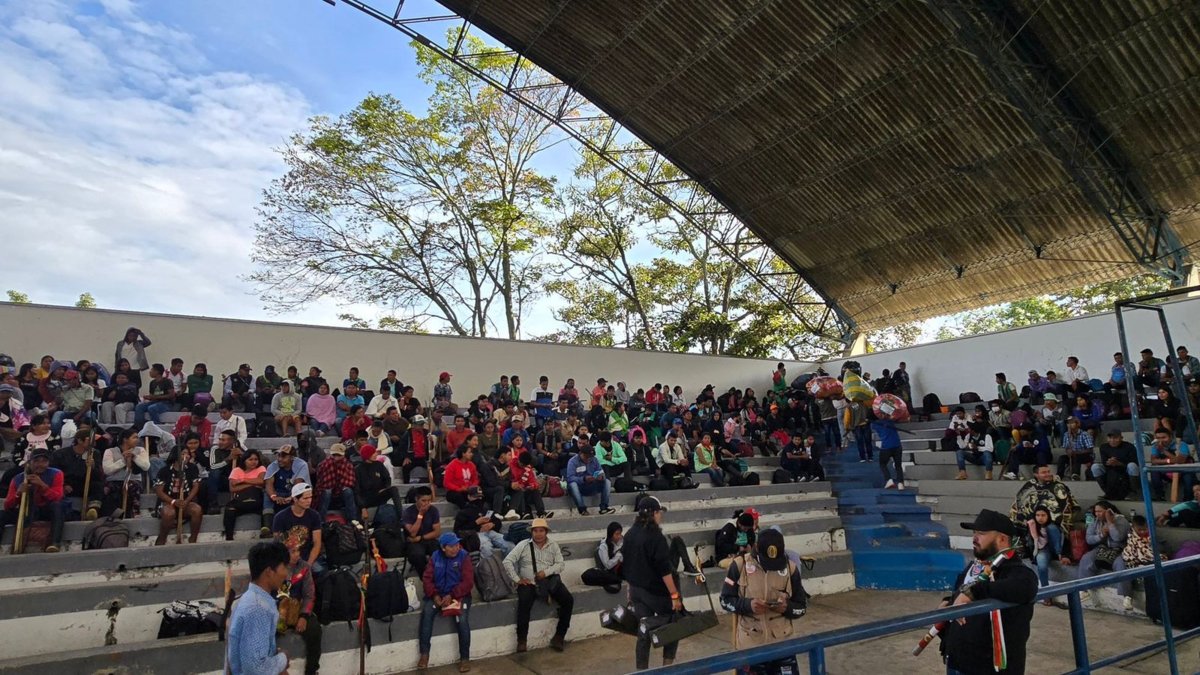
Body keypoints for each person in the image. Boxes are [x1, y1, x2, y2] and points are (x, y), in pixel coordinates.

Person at [937, 509, 1038, 675]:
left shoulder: (1018, 572)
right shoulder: (974, 566)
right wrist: (949, 601)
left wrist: (973, 592)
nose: (974, 538)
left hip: (988, 668)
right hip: (957, 662)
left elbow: (1026, 586)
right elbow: (962, 591)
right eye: (974, 533)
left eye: (981, 533)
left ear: (1002, 539)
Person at [720, 527, 808, 675]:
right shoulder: (739, 565)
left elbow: (801, 607)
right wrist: (748, 605)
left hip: (783, 646)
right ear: (756, 549)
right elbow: (725, 600)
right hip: (750, 647)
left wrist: (787, 608)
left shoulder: (791, 569)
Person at [621, 496, 686, 670]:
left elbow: (626, 563)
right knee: (675, 621)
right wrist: (674, 595)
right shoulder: (656, 537)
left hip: (636, 591)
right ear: (654, 513)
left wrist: (629, 588)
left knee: (643, 632)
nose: (660, 516)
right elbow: (665, 570)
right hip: (654, 592)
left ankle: (641, 671)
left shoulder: (630, 533)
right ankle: (667, 667)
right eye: (659, 513)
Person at [503, 517, 573, 654]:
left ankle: (559, 636)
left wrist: (546, 572)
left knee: (568, 600)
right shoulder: (523, 545)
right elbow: (507, 561)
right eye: (536, 531)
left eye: (541, 531)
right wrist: (517, 579)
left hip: (549, 580)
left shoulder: (553, 545)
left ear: (546, 532)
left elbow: (560, 564)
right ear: (532, 532)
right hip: (528, 582)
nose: (538, 534)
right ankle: (522, 641)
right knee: (524, 604)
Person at [226, 540, 290, 675]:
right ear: (269, 572)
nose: (286, 574)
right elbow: (256, 668)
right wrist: (283, 658)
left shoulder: (248, 599)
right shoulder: (258, 609)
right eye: (284, 567)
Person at [418, 532, 475, 672]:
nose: (456, 548)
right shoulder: (435, 557)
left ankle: (465, 659)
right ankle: (424, 654)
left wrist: (452, 595)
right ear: (443, 548)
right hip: (437, 596)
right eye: (452, 546)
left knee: (462, 620)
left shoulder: (464, 556)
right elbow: (427, 579)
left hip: (460, 595)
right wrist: (435, 595)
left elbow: (468, 582)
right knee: (427, 613)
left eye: (457, 545)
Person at [2, 448, 65, 552]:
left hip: (45, 509)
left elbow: (58, 497)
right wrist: (18, 493)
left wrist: (43, 486)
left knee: (57, 507)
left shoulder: (56, 474)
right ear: (29, 462)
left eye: (44, 461)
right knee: (2, 514)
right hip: (27, 511)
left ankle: (55, 543)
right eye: (36, 461)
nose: (40, 464)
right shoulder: (17, 478)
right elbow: (8, 505)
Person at [1010, 465, 1077, 560]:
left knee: (1051, 527)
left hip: (1055, 522)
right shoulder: (1029, 486)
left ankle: (1060, 553)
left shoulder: (1058, 486)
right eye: (1044, 472)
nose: (1048, 474)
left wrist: (1050, 519)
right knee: (1024, 525)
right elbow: (1020, 502)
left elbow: (1066, 505)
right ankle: (1030, 552)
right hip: (1033, 521)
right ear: (1036, 474)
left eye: (1049, 471)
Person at [278, 541, 322, 675]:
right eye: (293, 552)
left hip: (298, 610)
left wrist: (303, 616)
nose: (297, 554)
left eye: (298, 551)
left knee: (315, 630)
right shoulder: (276, 567)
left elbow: (309, 595)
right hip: (278, 611)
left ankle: (311, 671)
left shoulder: (304, 567)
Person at [1076, 501, 1130, 604]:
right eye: (1096, 512)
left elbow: (1118, 537)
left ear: (1108, 511)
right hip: (1102, 549)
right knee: (1086, 558)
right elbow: (1089, 539)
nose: (1097, 514)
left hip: (1119, 549)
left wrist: (1110, 523)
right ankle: (1084, 589)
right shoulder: (1095, 522)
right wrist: (1101, 535)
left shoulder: (1121, 520)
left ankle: (1126, 595)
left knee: (1121, 564)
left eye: (1100, 511)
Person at [153, 442, 203, 545]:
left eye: (188, 454)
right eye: (183, 453)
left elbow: (196, 486)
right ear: (176, 455)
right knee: (168, 513)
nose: (187, 456)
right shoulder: (165, 470)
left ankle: (193, 539)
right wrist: (173, 501)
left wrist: (187, 501)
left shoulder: (192, 468)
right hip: (168, 502)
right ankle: (162, 539)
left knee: (197, 510)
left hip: (185, 501)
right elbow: (159, 491)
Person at [51, 428, 104, 521]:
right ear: (79, 440)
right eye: (89, 440)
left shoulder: (95, 453)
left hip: (85, 483)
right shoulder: (60, 454)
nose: (93, 443)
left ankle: (93, 509)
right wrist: (64, 485)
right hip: (69, 484)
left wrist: (92, 467)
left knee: (98, 485)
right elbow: (55, 472)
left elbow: (98, 476)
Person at [272, 483, 324, 575]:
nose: (309, 501)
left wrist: (308, 564)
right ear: (295, 499)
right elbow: (278, 544)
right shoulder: (280, 517)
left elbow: (317, 543)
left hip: (307, 555)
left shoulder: (314, 516)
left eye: (310, 497)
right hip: (288, 557)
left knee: (320, 571)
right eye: (305, 498)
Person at [454, 485, 513, 559]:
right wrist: (476, 523)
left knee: (510, 545)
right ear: (469, 497)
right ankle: (490, 569)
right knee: (486, 548)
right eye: (476, 497)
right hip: (476, 535)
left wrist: (492, 524)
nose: (479, 499)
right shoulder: (463, 512)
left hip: (491, 532)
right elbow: (458, 530)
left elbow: (498, 522)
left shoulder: (485, 509)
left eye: (480, 497)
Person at [102, 428, 150, 517]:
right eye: (134, 437)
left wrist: (134, 457)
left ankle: (134, 513)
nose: (137, 440)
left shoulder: (141, 450)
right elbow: (107, 470)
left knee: (132, 488)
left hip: (133, 481)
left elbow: (146, 466)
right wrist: (123, 461)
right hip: (114, 481)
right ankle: (112, 515)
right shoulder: (110, 451)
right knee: (110, 491)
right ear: (125, 439)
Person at [224, 449, 269, 540]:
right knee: (229, 509)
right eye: (250, 459)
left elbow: (261, 481)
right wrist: (252, 484)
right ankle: (229, 536)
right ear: (244, 460)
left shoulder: (261, 468)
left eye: (255, 459)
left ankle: (265, 533)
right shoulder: (236, 470)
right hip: (241, 500)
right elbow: (233, 488)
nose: (253, 462)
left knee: (266, 507)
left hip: (257, 500)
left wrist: (243, 480)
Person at [1025, 505, 1068, 596]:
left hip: (1053, 549)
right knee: (1042, 564)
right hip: (1041, 550)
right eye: (1038, 515)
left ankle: (1060, 555)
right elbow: (1029, 543)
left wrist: (1062, 554)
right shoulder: (1032, 525)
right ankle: (1046, 592)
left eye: (1043, 515)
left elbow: (1060, 541)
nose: (1040, 518)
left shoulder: (1053, 526)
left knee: (1051, 528)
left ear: (1048, 516)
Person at [355, 445, 404, 522]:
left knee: (394, 489)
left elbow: (387, 479)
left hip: (378, 494)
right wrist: (363, 507)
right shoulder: (358, 469)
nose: (376, 454)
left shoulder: (379, 465)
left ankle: (401, 517)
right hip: (366, 499)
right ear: (367, 455)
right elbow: (357, 491)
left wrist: (385, 488)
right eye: (373, 453)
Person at [264, 444, 310, 523]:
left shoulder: (301, 465)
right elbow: (268, 484)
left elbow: (298, 485)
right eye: (278, 456)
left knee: (302, 496)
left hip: (295, 492)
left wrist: (291, 497)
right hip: (278, 492)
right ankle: (267, 524)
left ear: (292, 457)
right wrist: (274, 496)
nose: (279, 459)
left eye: (283, 457)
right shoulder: (273, 466)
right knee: (267, 495)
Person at [403, 485, 443, 575]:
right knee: (417, 555)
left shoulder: (433, 510)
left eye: (429, 501)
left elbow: (437, 532)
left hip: (428, 539)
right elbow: (412, 534)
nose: (426, 504)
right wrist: (420, 515)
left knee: (439, 552)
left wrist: (421, 538)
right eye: (423, 501)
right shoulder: (408, 512)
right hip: (414, 542)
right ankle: (426, 577)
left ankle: (440, 576)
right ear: (416, 499)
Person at [1147, 427, 1196, 500]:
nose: (1161, 440)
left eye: (1164, 437)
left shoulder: (1181, 444)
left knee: (1188, 477)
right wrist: (1168, 461)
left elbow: (1181, 461)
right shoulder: (1155, 446)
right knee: (1154, 471)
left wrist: (1164, 451)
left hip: (1182, 472)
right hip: (1167, 472)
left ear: (1171, 437)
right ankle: (1160, 496)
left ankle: (1188, 499)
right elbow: (1154, 460)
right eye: (1158, 438)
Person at [564, 445, 614, 515]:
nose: (588, 460)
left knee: (607, 481)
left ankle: (604, 508)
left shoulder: (594, 460)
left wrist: (601, 477)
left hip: (592, 484)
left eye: (590, 458)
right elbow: (570, 478)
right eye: (586, 457)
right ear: (581, 454)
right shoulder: (573, 461)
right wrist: (583, 479)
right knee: (573, 484)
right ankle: (582, 509)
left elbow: (601, 472)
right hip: (579, 486)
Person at [315, 443, 357, 523]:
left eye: (339, 455)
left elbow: (351, 481)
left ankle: (353, 521)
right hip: (326, 494)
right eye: (334, 455)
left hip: (341, 493)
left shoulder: (348, 464)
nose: (336, 457)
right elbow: (321, 482)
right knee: (327, 492)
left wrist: (344, 486)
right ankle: (320, 521)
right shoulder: (324, 464)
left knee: (348, 491)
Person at [1091, 430, 1138, 499]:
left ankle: (1133, 491)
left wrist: (1119, 463)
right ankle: (1107, 492)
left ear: (1121, 438)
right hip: (1110, 469)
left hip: (1125, 469)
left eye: (1115, 438)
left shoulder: (1129, 447)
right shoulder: (1104, 447)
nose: (1112, 440)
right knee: (1095, 467)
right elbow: (1104, 462)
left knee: (1132, 466)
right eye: (1110, 438)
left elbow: (1134, 462)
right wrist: (1110, 462)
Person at [509, 450, 552, 519]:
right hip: (514, 490)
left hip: (525, 489)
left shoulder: (528, 468)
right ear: (519, 460)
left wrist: (532, 486)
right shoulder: (511, 465)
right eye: (522, 465)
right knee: (520, 491)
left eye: (525, 465)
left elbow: (533, 481)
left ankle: (541, 513)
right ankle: (524, 513)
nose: (523, 466)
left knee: (535, 491)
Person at [133, 364, 174, 428]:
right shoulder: (152, 383)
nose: (150, 371)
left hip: (166, 403)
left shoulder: (167, 381)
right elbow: (152, 396)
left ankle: (157, 426)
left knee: (152, 408)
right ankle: (139, 426)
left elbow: (171, 395)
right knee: (139, 407)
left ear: (157, 371)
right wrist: (148, 397)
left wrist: (156, 397)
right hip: (155, 402)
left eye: (152, 370)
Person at [872, 411, 904, 490]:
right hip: (897, 445)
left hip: (886, 446)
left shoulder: (875, 424)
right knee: (898, 465)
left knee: (882, 464)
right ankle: (900, 483)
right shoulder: (891, 422)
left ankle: (889, 480)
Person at [443, 443, 480, 508]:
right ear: (463, 454)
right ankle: (465, 512)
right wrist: (459, 489)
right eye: (469, 452)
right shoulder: (452, 465)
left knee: (479, 495)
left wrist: (472, 487)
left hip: (469, 489)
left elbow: (475, 479)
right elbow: (447, 483)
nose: (472, 454)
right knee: (459, 497)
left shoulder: (472, 465)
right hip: (454, 491)